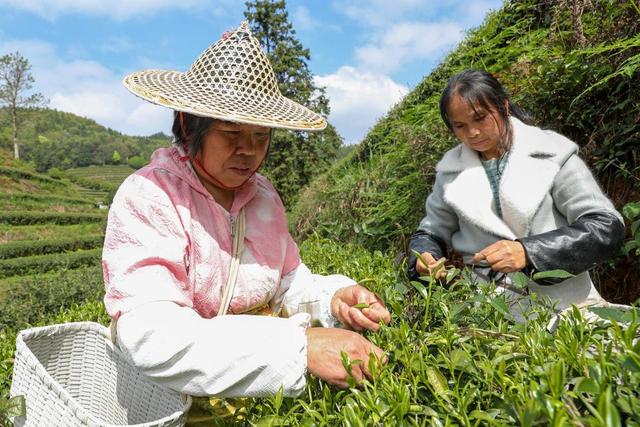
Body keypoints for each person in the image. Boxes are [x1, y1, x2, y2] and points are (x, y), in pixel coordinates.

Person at [102, 21, 391, 405]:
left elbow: (286, 284)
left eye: (260, 136)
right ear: (190, 124)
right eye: (231, 133)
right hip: (179, 404)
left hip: (259, 398)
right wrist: (299, 347)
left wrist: (332, 298)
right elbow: (151, 336)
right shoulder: (150, 196)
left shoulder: (264, 196)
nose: (248, 151)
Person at [407, 69, 625, 321]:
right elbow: (430, 232)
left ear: (504, 107)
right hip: (489, 314)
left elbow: (606, 226)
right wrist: (424, 256)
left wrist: (529, 252)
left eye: (480, 118)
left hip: (568, 304)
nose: (473, 133)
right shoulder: (451, 174)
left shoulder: (552, 153)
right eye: (460, 126)